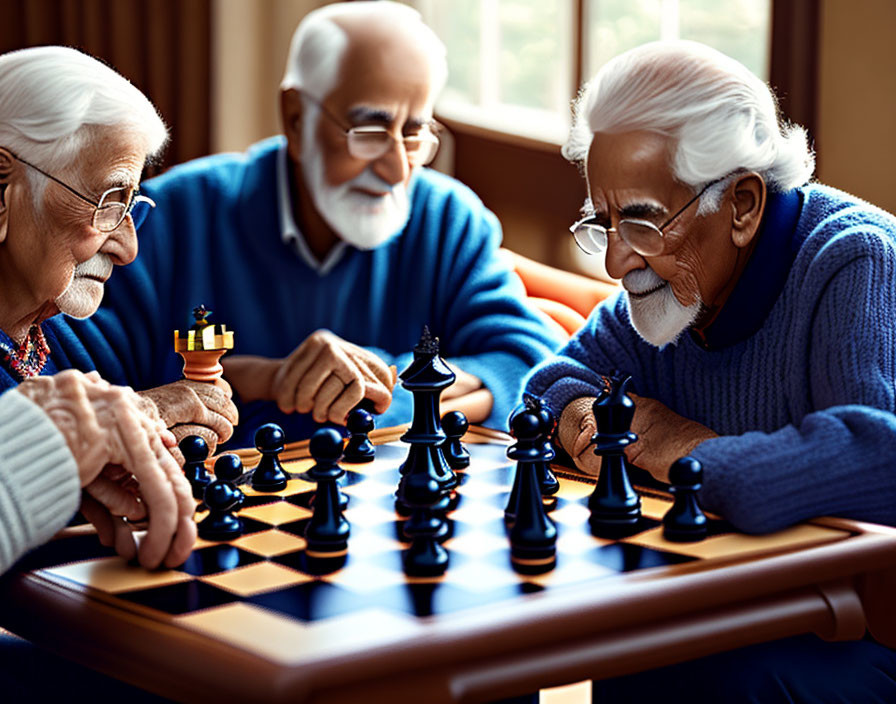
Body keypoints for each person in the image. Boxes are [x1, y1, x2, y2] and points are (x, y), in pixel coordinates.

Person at [524, 40, 896, 702]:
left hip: (862, 639)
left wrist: (682, 450)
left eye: (639, 222)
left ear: (744, 205)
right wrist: (586, 421)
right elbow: (550, 385)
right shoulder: (674, 288)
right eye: (602, 222)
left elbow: (876, 463)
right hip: (736, 609)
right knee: (621, 651)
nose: (615, 261)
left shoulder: (853, 260)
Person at [79, 1, 564, 448]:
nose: (398, 170)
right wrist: (269, 378)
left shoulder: (449, 219)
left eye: (414, 133)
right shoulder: (166, 219)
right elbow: (87, 390)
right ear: (294, 118)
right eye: (369, 132)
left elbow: (532, 365)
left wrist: (385, 383)